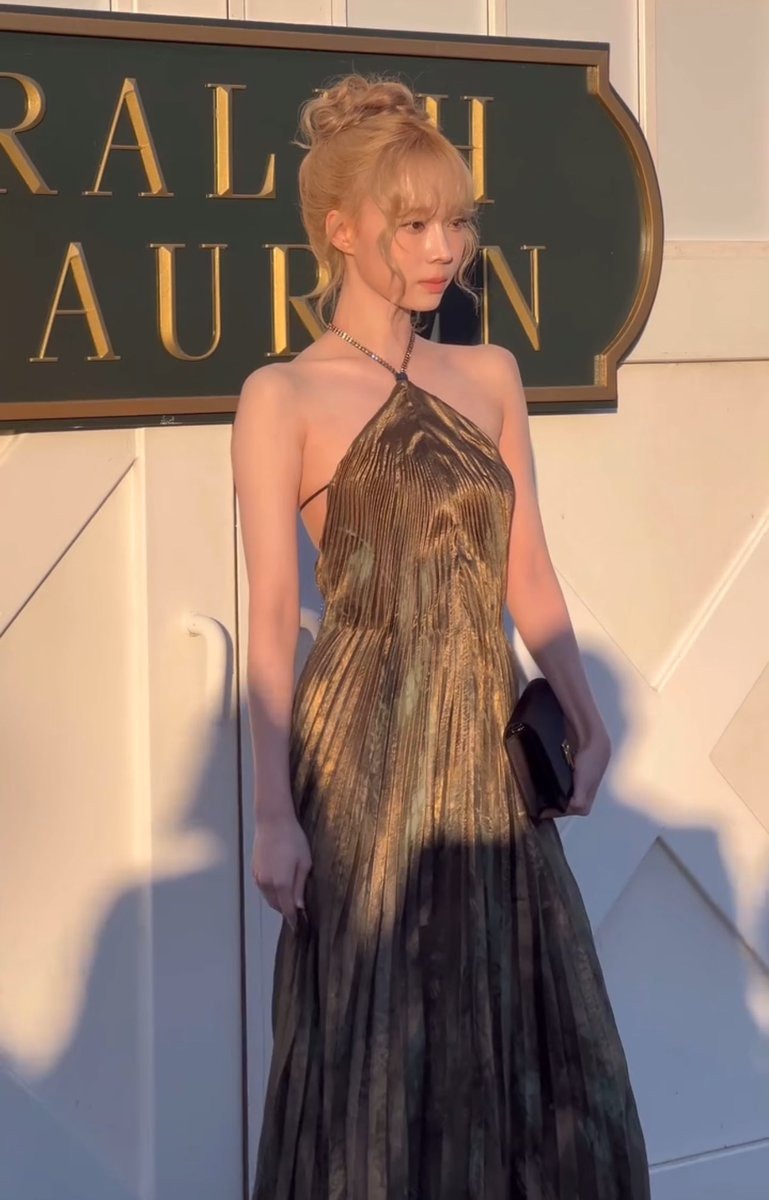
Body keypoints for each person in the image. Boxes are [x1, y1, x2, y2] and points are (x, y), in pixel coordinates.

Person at [231, 72, 650, 1200]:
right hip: (361, 755)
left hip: (483, 746)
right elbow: (270, 619)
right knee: (375, 1033)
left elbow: (527, 569)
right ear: (341, 230)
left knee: (527, 1029)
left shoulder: (490, 375)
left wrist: (587, 716)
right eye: (412, 224)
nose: (443, 249)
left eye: (455, 223)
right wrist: (271, 811)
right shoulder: (282, 397)